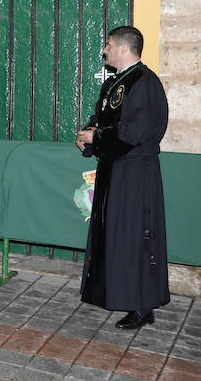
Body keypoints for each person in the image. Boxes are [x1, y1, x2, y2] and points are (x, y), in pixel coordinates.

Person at [76, 26, 169, 330]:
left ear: (124, 48)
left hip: (134, 173)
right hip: (114, 172)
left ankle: (142, 306)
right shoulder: (116, 83)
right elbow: (104, 119)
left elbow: (135, 130)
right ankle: (118, 293)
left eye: (108, 44)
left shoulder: (144, 82)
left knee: (133, 238)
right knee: (116, 238)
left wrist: (97, 136)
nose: (104, 50)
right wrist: (88, 135)